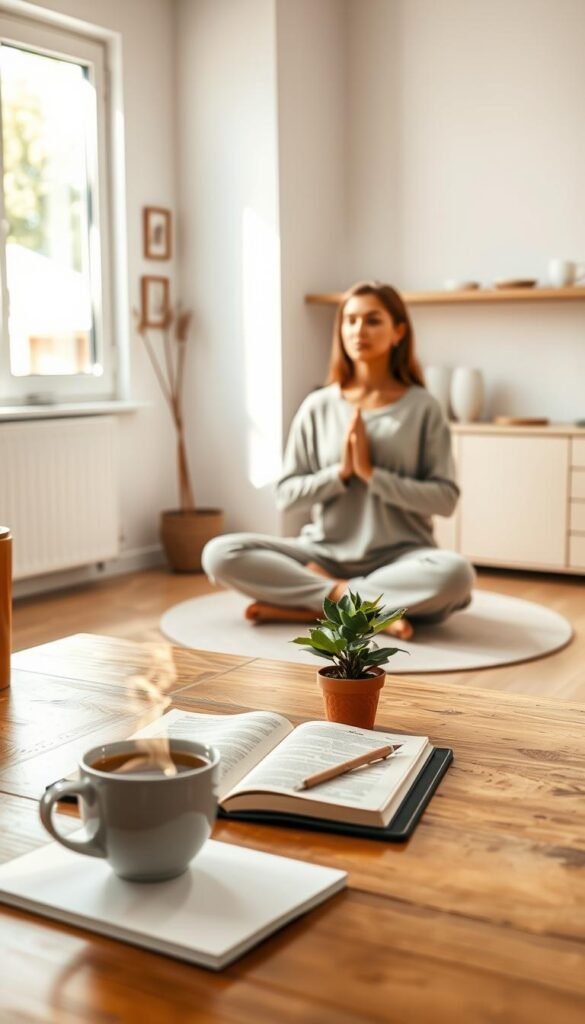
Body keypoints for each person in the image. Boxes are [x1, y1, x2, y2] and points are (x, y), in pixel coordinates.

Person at [202, 280, 475, 639]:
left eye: (373, 320)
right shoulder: (317, 406)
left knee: (455, 575)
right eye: (350, 320)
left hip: (402, 558)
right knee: (219, 553)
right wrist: (341, 474)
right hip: (322, 552)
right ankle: (354, 602)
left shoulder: (424, 408)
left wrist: (371, 474)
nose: (359, 330)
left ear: (399, 332)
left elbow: (445, 499)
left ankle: (314, 602)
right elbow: (286, 494)